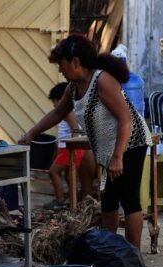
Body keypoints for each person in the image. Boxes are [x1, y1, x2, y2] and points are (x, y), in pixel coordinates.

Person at [20, 34, 152, 249]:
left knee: (129, 200)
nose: (60, 70)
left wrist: (118, 157)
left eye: (62, 65)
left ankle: (133, 255)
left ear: (75, 62)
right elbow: (57, 113)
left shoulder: (102, 80)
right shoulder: (72, 88)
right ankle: (110, 249)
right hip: (108, 148)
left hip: (131, 142)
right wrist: (31, 134)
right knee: (108, 199)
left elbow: (125, 119)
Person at [43, 82, 96, 210]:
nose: (55, 105)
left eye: (55, 102)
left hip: (70, 148)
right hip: (66, 149)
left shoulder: (67, 112)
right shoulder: (69, 112)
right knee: (69, 176)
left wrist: (74, 146)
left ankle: (60, 201)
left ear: (62, 99)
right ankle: (73, 200)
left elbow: (75, 129)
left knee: (53, 172)